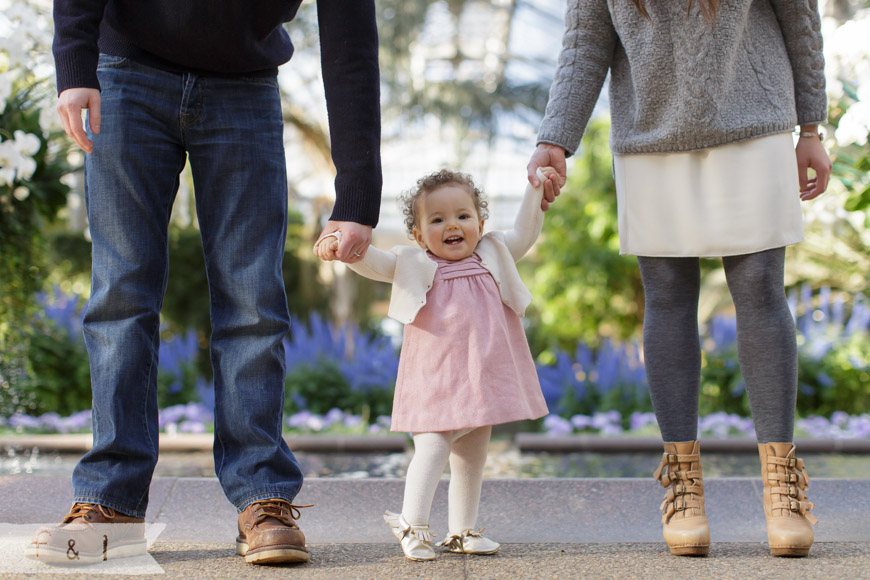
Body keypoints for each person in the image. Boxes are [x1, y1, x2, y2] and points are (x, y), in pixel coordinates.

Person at [27, 0, 381, 566]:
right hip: (126, 74)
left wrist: (359, 192)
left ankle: (263, 496)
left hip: (245, 86)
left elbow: (351, 39)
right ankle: (111, 503)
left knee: (253, 302)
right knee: (120, 296)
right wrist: (73, 67)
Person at [527, 0, 830, 558]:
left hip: (757, 122)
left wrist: (811, 124)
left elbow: (799, 17)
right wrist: (556, 136)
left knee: (761, 291)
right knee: (666, 300)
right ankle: (684, 486)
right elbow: (587, 40)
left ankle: (783, 488)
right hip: (650, 135)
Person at [315, 167, 560, 560]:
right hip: (434, 379)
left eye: (463, 216)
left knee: (473, 453)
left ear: (480, 223)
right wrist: (341, 244)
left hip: (480, 379)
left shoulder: (493, 253)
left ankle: (462, 530)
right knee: (432, 448)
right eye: (438, 219)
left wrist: (535, 192)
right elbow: (372, 261)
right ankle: (411, 525)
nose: (453, 225)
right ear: (418, 235)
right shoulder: (414, 264)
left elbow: (525, 233)